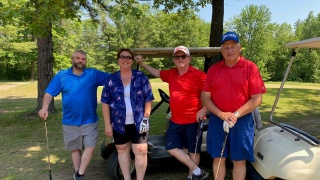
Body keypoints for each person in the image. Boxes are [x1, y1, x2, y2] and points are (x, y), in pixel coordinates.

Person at [136, 46, 209, 180]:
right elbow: (157, 73)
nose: (180, 59)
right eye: (177, 57)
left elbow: (210, 94)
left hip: (193, 120)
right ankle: (197, 171)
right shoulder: (171, 73)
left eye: (183, 56)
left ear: (189, 58)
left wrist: (204, 109)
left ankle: (191, 176)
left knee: (193, 151)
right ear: (174, 59)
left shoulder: (199, 75)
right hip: (175, 120)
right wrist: (142, 64)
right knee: (171, 147)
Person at [201, 32, 267, 180]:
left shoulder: (250, 67)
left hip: (242, 121)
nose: (229, 51)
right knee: (218, 158)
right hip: (218, 120)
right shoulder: (213, 70)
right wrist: (220, 114)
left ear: (239, 48)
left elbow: (257, 99)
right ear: (221, 50)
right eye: (225, 47)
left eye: (233, 47)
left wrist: (235, 115)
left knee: (239, 160)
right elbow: (205, 97)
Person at [38, 49, 110, 180]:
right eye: (77, 58)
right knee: (75, 149)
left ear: (85, 61)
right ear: (72, 60)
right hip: (70, 121)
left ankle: (79, 173)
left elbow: (113, 78)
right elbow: (49, 93)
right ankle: (78, 175)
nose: (80, 61)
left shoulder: (93, 74)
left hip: (90, 120)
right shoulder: (62, 75)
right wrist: (44, 107)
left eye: (83, 59)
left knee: (90, 147)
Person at [101, 48, 154, 180]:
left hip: (139, 122)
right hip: (119, 123)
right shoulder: (111, 80)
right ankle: (126, 178)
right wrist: (107, 124)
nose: (125, 59)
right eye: (122, 57)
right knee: (122, 149)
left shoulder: (141, 77)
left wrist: (146, 118)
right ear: (118, 60)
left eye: (128, 57)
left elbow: (149, 98)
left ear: (132, 60)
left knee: (141, 151)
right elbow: (105, 103)